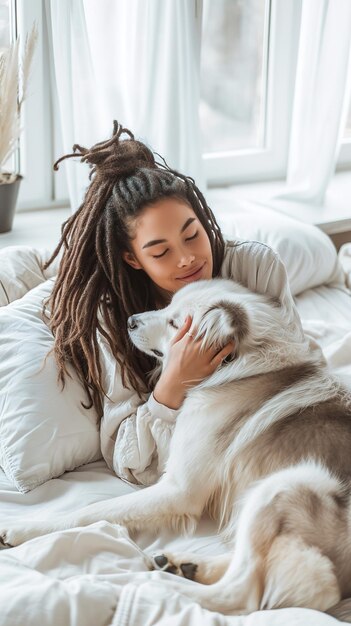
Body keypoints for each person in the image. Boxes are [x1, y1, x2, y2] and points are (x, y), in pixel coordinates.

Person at [44, 120, 311, 486]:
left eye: (192, 234)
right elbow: (131, 462)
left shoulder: (254, 268)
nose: (186, 259)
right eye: (161, 251)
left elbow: (296, 373)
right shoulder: (116, 315)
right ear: (133, 259)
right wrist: (175, 380)